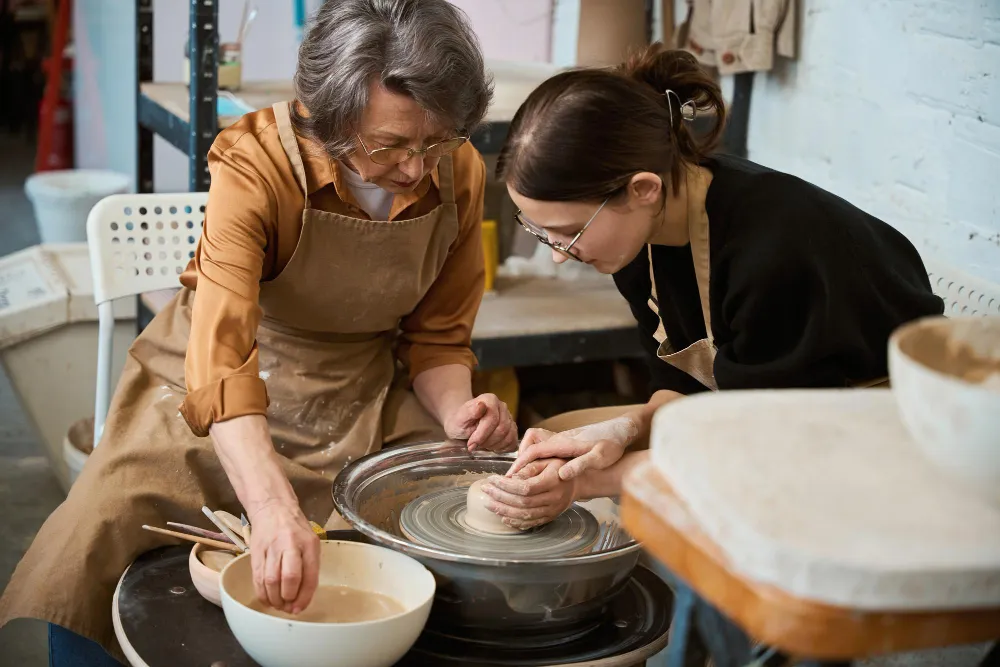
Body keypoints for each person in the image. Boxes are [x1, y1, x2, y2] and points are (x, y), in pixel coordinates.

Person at [0, 1, 515, 662]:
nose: (417, 168)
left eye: (434, 141)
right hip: (225, 375)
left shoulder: (459, 171)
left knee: (444, 521)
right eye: (389, 146)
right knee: (99, 517)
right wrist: (271, 507)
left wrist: (459, 409)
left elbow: (438, 339)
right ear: (328, 118)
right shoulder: (257, 164)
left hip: (362, 383)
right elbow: (218, 358)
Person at [479, 43, 944, 529]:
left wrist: (583, 483)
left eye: (568, 232)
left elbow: (762, 441)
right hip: (761, 418)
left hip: (884, 438)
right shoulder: (637, 240)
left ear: (643, 189)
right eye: (542, 232)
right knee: (563, 435)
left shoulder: (773, 250)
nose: (557, 253)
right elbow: (686, 386)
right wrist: (625, 428)